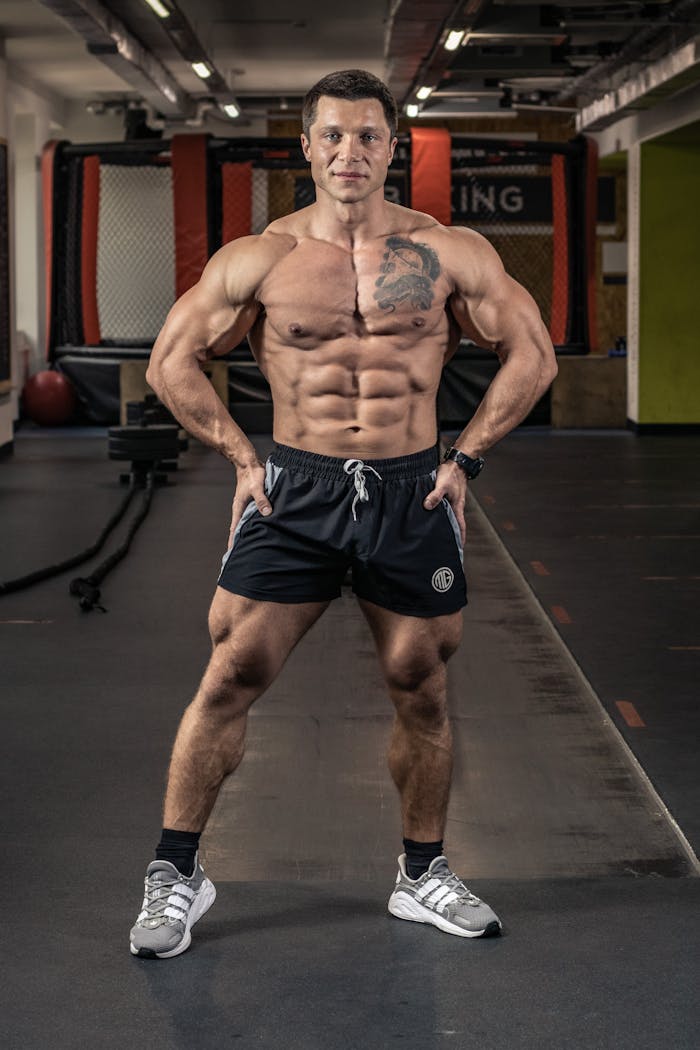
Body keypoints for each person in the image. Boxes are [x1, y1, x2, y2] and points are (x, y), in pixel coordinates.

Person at [129, 69, 557, 959]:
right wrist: (242, 457)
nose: (349, 151)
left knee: (421, 681)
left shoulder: (448, 252)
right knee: (232, 670)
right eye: (332, 135)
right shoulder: (263, 257)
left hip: (411, 490)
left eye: (367, 135)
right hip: (297, 489)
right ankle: (176, 874)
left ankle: (422, 874)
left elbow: (534, 355)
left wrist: (465, 459)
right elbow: (170, 361)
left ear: (393, 147)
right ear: (307, 146)